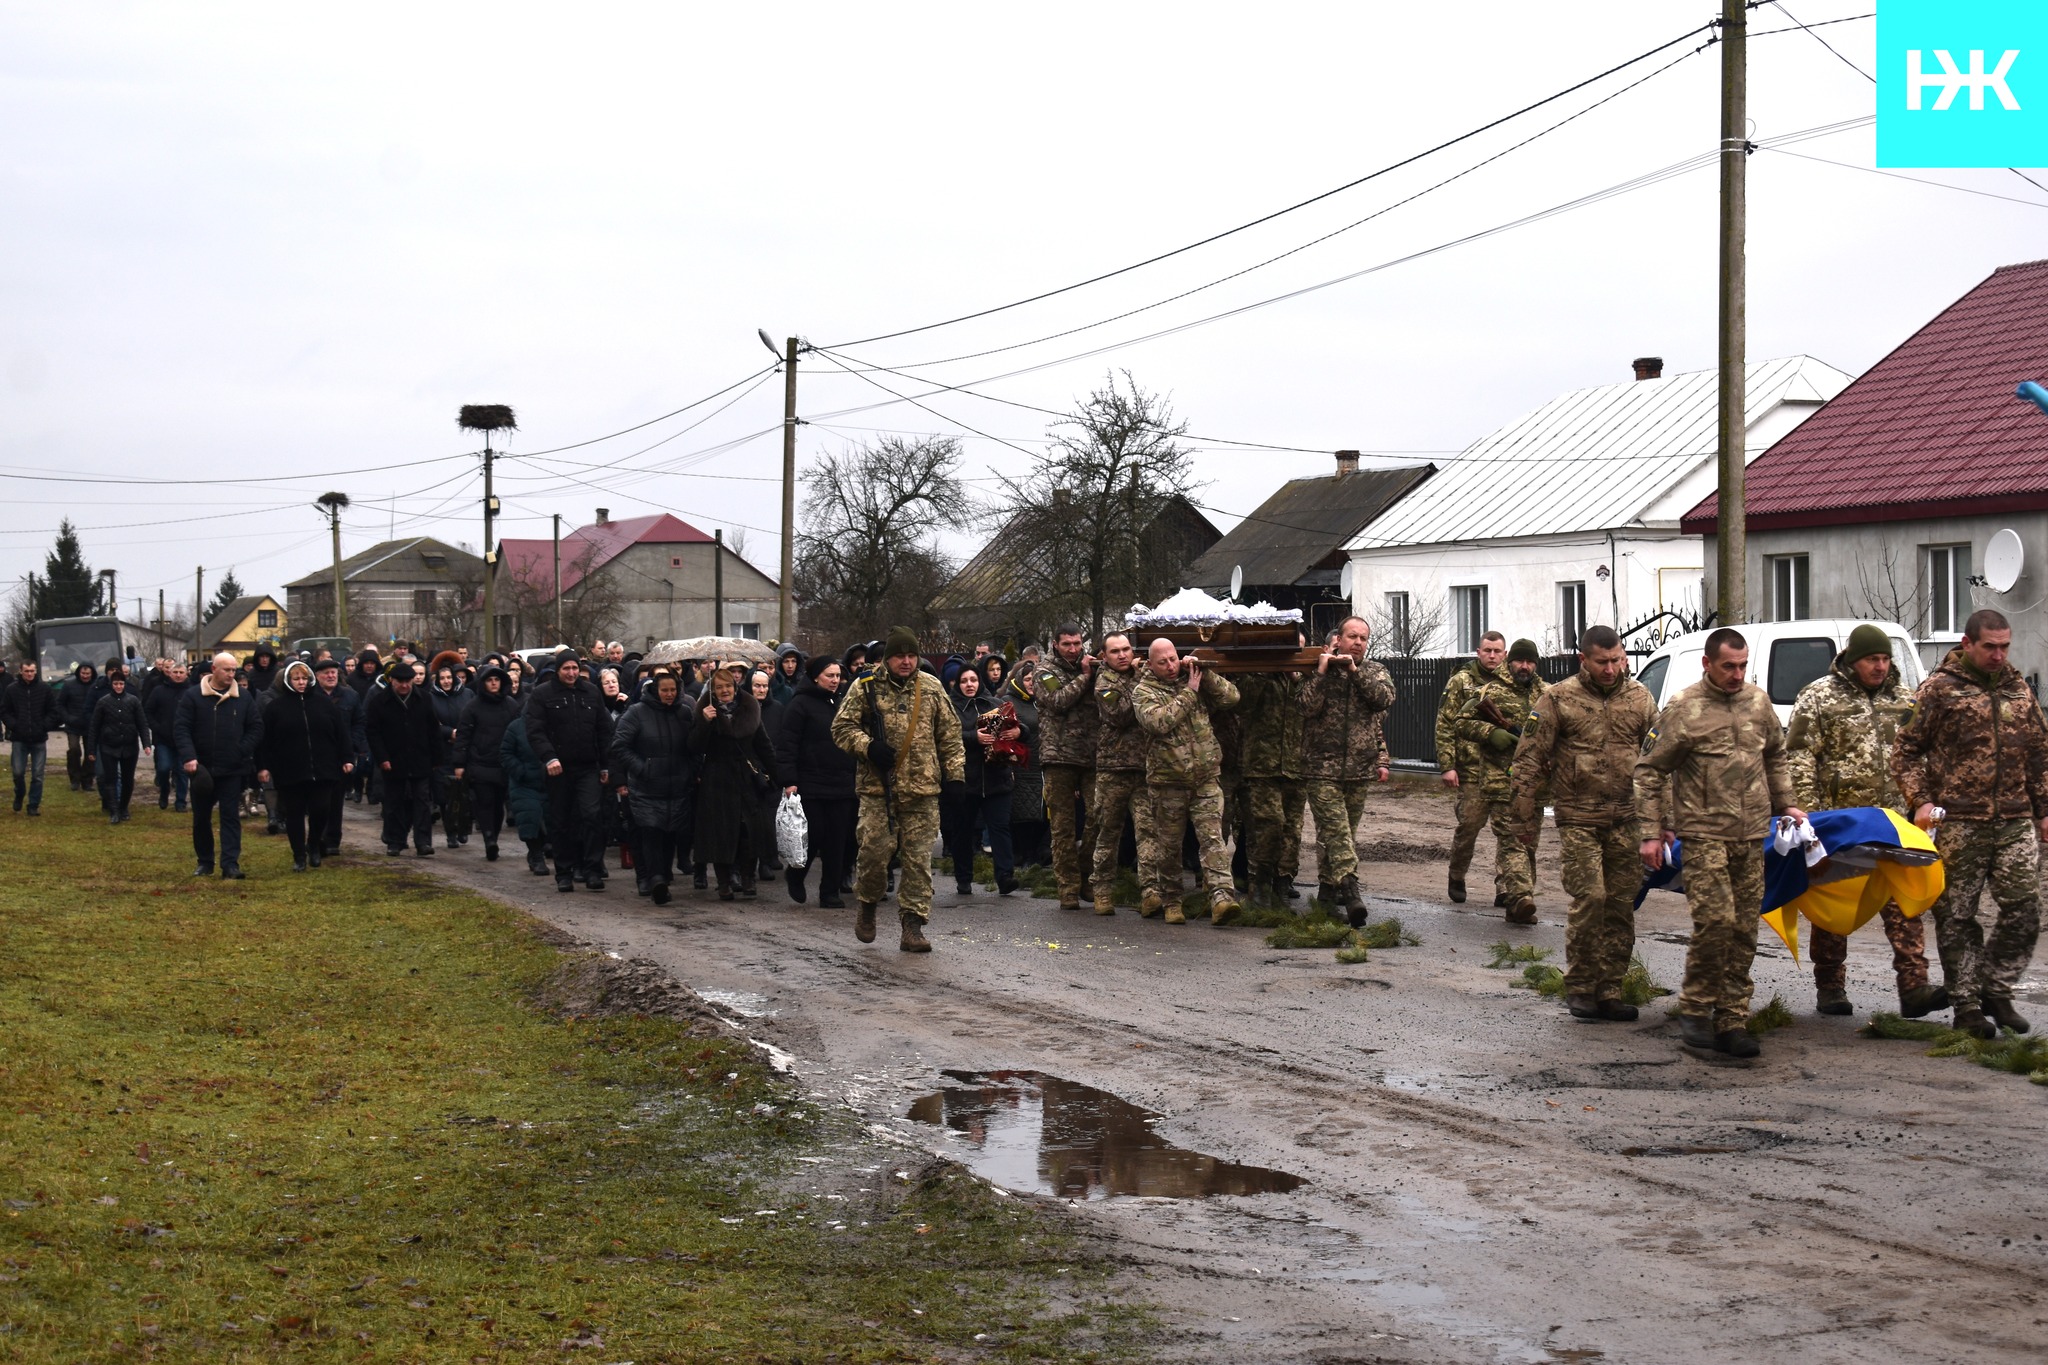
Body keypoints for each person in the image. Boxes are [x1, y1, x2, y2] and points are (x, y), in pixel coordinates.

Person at [1636, 627, 1803, 1058]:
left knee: (1745, 928)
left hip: (1751, 835)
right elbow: (1650, 771)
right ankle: (1695, 1008)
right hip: (1705, 833)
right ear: (1707, 664)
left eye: (1743, 665)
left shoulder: (1757, 702)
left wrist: (1786, 803)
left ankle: (1732, 1018)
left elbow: (1775, 754)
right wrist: (1651, 833)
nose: (1737, 674)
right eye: (1729, 666)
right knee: (1715, 923)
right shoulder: (1684, 708)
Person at [1892, 608, 2048, 1039]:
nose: (1999, 655)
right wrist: (1920, 800)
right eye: (1989, 647)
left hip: (2014, 817)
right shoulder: (1938, 691)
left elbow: (2038, 753)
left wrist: (2044, 809)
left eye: (2004, 647)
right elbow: (1904, 751)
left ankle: (1996, 988)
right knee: (1957, 916)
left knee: (2024, 907)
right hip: (1958, 821)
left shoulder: (2019, 689)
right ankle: (1966, 1007)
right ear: (1967, 644)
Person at [1783, 624, 1945, 1019]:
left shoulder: (1906, 701)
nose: (1880, 666)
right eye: (1873, 658)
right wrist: (1812, 818)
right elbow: (1800, 757)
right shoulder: (1819, 697)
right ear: (1853, 660)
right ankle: (1831, 986)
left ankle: (1914, 987)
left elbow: (1921, 757)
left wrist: (1924, 804)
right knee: (1836, 907)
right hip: (1841, 826)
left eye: (1885, 658)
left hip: (1893, 825)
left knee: (1902, 902)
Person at [1510, 626, 1657, 1020]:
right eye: (1602, 662)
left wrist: (1662, 823)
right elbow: (1528, 760)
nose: (1611, 669)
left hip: (1626, 818)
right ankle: (1580, 986)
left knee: (1620, 905)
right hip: (1578, 817)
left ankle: (1610, 989)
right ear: (1584, 660)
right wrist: (1522, 818)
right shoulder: (1558, 699)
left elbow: (1659, 763)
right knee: (1590, 898)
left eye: (1617, 660)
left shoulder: (1640, 698)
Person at [832, 626, 965, 951]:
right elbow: (841, 727)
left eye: (911, 655)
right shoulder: (865, 687)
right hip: (878, 790)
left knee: (919, 863)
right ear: (887, 658)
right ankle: (867, 903)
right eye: (899, 656)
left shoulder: (931, 687)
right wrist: (868, 746)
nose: (906, 662)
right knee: (874, 856)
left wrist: (956, 776)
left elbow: (949, 735)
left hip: (922, 790)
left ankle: (913, 925)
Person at [1131, 638, 1242, 925]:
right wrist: (1189, 694)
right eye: (1162, 662)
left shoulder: (1194, 679)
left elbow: (1232, 699)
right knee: (1169, 846)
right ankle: (1171, 899)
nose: (1170, 666)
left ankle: (1221, 897)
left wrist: (1207, 676)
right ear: (1150, 664)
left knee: (1213, 840)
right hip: (1167, 782)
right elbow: (1159, 722)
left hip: (1205, 778)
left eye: (1173, 658)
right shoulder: (1143, 691)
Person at [1300, 616, 1395, 925]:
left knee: (1341, 834)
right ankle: (1351, 891)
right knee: (1338, 832)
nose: (1358, 642)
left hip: (1358, 768)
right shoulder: (1318, 672)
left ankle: (1327, 892)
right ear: (1337, 639)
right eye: (1352, 636)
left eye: (1363, 638)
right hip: (1320, 768)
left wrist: (1354, 673)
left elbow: (1382, 699)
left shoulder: (1374, 671)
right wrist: (1323, 673)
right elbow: (1305, 707)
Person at [1457, 638, 1549, 924]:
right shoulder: (1489, 690)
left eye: (1530, 661)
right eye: (1520, 661)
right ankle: (1521, 896)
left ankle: (1516, 902)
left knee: (1529, 842)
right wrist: (1489, 734)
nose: (1525, 666)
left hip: (1535, 783)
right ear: (1510, 662)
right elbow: (1461, 722)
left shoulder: (1548, 694)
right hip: (1500, 780)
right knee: (1511, 840)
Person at [526, 655, 616, 891]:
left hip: (588, 767)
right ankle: (564, 872)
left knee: (592, 815)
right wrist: (549, 757)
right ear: (558, 670)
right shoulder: (543, 695)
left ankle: (592, 869)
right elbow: (535, 730)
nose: (571, 673)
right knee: (561, 821)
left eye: (575, 668)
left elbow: (603, 731)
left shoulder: (591, 693)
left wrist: (605, 765)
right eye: (566, 668)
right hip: (559, 768)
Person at [775, 655, 858, 907]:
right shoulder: (799, 705)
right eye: (829, 676)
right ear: (815, 677)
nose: (835, 680)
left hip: (842, 783)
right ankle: (796, 874)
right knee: (815, 835)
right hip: (810, 783)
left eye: (837, 676)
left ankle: (829, 892)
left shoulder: (842, 702)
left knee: (838, 839)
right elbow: (787, 744)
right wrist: (789, 780)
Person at [688, 666, 777, 900]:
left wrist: (780, 776)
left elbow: (764, 745)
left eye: (728, 686)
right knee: (721, 832)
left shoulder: (750, 707)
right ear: (713, 691)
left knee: (749, 830)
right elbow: (694, 747)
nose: (724, 690)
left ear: (735, 687)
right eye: (719, 687)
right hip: (717, 779)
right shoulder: (704, 709)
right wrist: (705, 723)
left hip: (746, 777)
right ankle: (724, 882)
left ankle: (748, 878)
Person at [174, 651, 264, 879]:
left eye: (234, 670)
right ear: (214, 669)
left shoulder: (243, 698)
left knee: (230, 816)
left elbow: (256, 728)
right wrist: (189, 756)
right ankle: (205, 862)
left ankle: (230, 864)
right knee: (201, 817)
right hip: (202, 769)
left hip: (232, 768)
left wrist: (240, 750)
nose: (231, 674)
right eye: (227, 670)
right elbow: (181, 728)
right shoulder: (193, 697)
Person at [256, 661, 353, 870]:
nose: (301, 683)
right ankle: (299, 855)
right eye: (296, 679)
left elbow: (341, 733)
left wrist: (347, 758)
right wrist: (264, 766)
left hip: (324, 767)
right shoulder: (275, 708)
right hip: (290, 770)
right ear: (287, 681)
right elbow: (266, 741)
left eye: (304, 678)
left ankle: (314, 845)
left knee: (321, 809)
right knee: (295, 813)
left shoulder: (324, 704)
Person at [1437, 631, 1510, 903]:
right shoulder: (1461, 682)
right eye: (1487, 650)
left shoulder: (1511, 684)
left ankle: (1505, 887)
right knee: (1469, 827)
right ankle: (1457, 875)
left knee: (1507, 830)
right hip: (1471, 770)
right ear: (1478, 652)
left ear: (1505, 654)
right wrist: (1448, 765)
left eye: (1497, 651)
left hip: (1503, 770)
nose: (1492, 656)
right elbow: (1444, 723)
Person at [1032, 624, 1100, 911]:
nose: (1073, 649)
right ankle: (1068, 887)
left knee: (1099, 814)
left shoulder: (1091, 664)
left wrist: (1092, 671)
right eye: (1067, 644)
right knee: (1063, 827)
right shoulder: (1044, 670)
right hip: (1057, 755)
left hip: (1091, 754)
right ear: (1055, 645)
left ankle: (1086, 874)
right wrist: (1085, 677)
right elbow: (1057, 700)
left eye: (1076, 643)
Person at [612, 671, 695, 904]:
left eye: (673, 690)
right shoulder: (636, 713)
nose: (669, 694)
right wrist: (643, 767)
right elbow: (620, 746)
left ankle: (663, 877)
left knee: (670, 833)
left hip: (676, 785)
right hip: (647, 787)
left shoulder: (685, 713)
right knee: (651, 831)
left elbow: (694, 747)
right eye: (664, 690)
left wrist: (690, 771)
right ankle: (655, 877)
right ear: (655, 690)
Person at [1236, 664, 1307, 909]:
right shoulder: (1256, 673)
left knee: (1291, 831)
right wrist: (1264, 671)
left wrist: (1298, 678)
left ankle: (1282, 885)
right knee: (1268, 825)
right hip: (1262, 765)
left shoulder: (1304, 678)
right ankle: (1260, 885)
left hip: (1297, 766)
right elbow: (1241, 704)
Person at [945, 664, 1019, 896]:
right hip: (966, 780)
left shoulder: (994, 704)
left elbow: (1017, 725)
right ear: (958, 684)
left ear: (980, 682)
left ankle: (1005, 876)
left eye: (973, 680)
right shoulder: (950, 707)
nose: (969, 685)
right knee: (963, 831)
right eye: (965, 681)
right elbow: (943, 735)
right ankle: (964, 877)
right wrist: (972, 737)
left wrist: (1018, 732)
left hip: (997, 778)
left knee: (1000, 828)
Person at [1088, 632, 1148, 916]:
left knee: (1149, 833)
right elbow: (1121, 715)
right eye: (1115, 651)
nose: (1123, 655)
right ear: (1104, 656)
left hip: (1144, 768)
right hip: (1113, 770)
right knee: (1108, 832)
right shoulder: (1104, 683)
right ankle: (1101, 889)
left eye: (1126, 649)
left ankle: (1151, 892)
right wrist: (1139, 679)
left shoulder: (1142, 675)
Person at [366, 662, 444, 858]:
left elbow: (433, 729)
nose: (404, 685)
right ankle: (395, 841)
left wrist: (436, 757)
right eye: (400, 681)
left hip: (420, 759)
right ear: (392, 681)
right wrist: (382, 758)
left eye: (408, 682)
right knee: (394, 803)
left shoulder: (424, 699)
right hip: (393, 761)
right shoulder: (379, 702)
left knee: (422, 802)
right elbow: (373, 733)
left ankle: (423, 842)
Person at [453, 664, 519, 862]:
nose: (493, 683)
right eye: (489, 680)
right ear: (482, 683)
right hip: (480, 762)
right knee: (484, 802)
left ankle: (494, 836)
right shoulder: (472, 707)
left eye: (497, 679)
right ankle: (488, 837)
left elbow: (518, 732)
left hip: (503, 763)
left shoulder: (510, 705)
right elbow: (463, 736)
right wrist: (459, 764)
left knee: (498, 804)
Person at [311, 657, 365, 854]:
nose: (331, 675)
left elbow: (359, 722)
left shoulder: (350, 696)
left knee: (336, 800)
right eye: (326, 673)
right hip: (317, 757)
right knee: (318, 801)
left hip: (342, 756)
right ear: (317, 676)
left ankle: (332, 840)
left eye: (334, 672)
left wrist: (353, 747)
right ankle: (317, 838)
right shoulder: (310, 696)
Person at [88, 667, 150, 823]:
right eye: (115, 684)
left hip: (129, 745)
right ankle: (114, 810)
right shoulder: (103, 702)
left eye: (121, 684)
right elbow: (94, 726)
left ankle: (124, 807)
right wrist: (91, 749)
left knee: (128, 779)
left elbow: (142, 723)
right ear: (111, 684)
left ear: (124, 684)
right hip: (108, 745)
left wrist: (146, 743)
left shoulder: (133, 701)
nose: (118, 687)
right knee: (111, 778)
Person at [1004, 666, 1048, 871]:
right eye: (1028, 679)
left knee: (1041, 811)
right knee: (1024, 812)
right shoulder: (1010, 702)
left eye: (1035, 679)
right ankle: (1023, 854)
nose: (1032, 683)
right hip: (1022, 765)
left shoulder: (1043, 700)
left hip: (1043, 764)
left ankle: (1038, 853)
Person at [500, 708, 552, 876]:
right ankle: (537, 856)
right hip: (524, 783)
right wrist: (520, 771)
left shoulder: (553, 724)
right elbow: (506, 753)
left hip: (550, 781)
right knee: (530, 818)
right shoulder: (516, 727)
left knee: (550, 820)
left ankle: (541, 849)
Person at [2, 659, 57, 815]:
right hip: (19, 738)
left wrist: (44, 726)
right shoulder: (11, 690)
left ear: (36, 671)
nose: (29, 674)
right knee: (18, 772)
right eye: (26, 671)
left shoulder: (44, 689)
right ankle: (19, 794)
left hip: (39, 738)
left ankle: (33, 805)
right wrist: (14, 725)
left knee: (37, 775)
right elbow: (5, 711)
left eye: (32, 671)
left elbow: (53, 711)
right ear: (21, 671)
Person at [427, 662, 471, 848]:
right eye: (442, 678)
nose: (446, 681)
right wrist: (448, 733)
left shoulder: (467, 695)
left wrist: (460, 734)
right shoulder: (430, 698)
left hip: (463, 750)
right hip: (442, 751)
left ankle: (463, 828)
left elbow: (472, 718)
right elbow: (430, 724)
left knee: (464, 792)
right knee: (446, 795)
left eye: (449, 678)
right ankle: (450, 832)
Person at [750, 669, 788, 880]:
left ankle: (766, 860)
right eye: (757, 685)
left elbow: (782, 741)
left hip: (771, 772)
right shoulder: (745, 709)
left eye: (764, 685)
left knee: (769, 820)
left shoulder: (778, 709)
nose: (761, 689)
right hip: (748, 772)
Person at [144, 659, 193, 811]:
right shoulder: (159, 690)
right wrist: (156, 727)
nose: (178, 675)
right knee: (164, 768)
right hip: (163, 739)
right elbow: (148, 711)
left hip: (184, 739)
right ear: (169, 673)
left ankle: (180, 802)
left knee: (182, 771)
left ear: (186, 674)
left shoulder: (191, 692)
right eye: (175, 672)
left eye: (181, 673)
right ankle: (164, 792)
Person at [60, 660, 98, 792]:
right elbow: (60, 704)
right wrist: (67, 718)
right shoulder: (69, 685)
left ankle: (87, 780)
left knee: (91, 753)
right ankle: (74, 779)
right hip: (73, 724)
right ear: (78, 672)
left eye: (88, 673)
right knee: (74, 750)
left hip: (91, 725)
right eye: (83, 673)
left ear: (92, 673)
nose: (85, 676)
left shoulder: (96, 686)